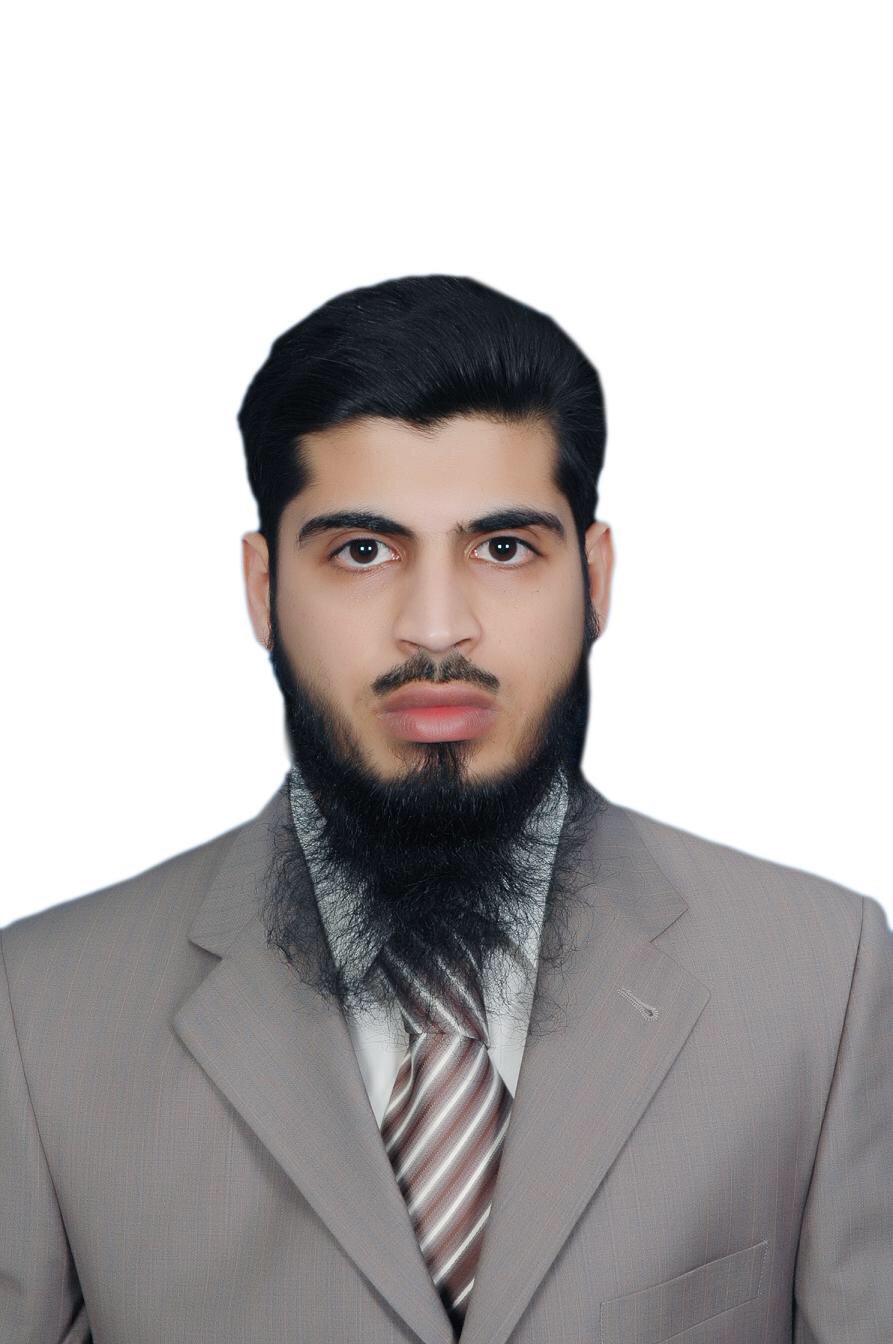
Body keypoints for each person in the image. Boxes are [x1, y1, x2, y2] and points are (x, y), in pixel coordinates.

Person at [1, 274, 890, 1344]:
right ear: (263, 589)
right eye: (361, 551)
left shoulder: (821, 980)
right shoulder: (37, 1014)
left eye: (503, 548)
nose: (434, 628)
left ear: (594, 580)